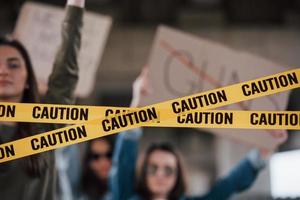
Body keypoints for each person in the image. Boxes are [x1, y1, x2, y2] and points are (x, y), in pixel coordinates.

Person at [109, 68, 288, 200]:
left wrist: (264, 149)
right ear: (143, 172)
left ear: (178, 175)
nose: (160, 175)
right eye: (153, 168)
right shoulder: (124, 196)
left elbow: (229, 185)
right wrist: (137, 103)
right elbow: (123, 161)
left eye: (169, 170)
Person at [0, 0, 85, 199]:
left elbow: (65, 75)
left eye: (13, 65)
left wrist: (75, 6)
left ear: (28, 80)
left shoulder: (44, 126)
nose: (3, 71)